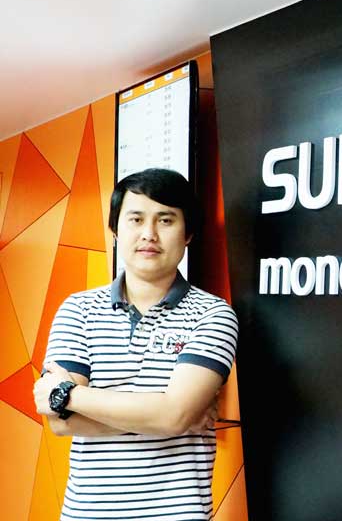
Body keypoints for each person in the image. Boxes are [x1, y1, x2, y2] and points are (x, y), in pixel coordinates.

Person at [33, 168, 238, 521]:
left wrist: (67, 395)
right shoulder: (78, 309)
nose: (149, 234)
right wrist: (166, 414)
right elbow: (62, 424)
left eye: (165, 220)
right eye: (136, 219)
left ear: (188, 233)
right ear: (115, 229)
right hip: (87, 514)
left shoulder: (213, 314)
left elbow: (174, 416)